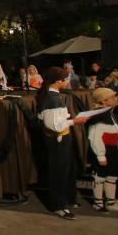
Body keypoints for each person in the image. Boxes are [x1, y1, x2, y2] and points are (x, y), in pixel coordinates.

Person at [37, 67, 88, 219]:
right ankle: (58, 205)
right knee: (58, 172)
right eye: (65, 79)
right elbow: (53, 125)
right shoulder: (52, 99)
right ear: (58, 81)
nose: (66, 82)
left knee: (68, 170)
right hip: (57, 140)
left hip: (63, 138)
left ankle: (67, 199)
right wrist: (75, 121)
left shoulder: (54, 97)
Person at [86, 88, 118, 212]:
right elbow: (94, 136)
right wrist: (100, 155)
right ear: (103, 101)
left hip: (112, 149)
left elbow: (112, 127)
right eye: (112, 97)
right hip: (104, 150)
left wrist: (117, 134)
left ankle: (110, 201)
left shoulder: (109, 113)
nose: (116, 99)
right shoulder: (99, 115)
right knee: (100, 176)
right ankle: (98, 201)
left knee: (111, 176)